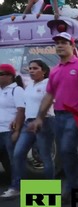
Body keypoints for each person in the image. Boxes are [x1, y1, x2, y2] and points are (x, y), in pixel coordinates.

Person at [28, 32, 78, 203]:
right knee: (65, 153)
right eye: (57, 43)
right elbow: (49, 96)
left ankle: (71, 186)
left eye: (64, 42)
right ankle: (75, 186)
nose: (59, 45)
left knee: (67, 149)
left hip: (75, 115)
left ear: (72, 46)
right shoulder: (55, 70)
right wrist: (39, 118)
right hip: (58, 116)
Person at [1, 60, 55, 199]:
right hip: (28, 122)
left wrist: (40, 119)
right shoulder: (29, 86)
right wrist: (17, 120)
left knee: (45, 157)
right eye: (29, 68)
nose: (31, 71)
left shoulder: (48, 84)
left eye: (35, 68)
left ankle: (49, 190)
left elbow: (49, 102)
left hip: (44, 121)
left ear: (43, 71)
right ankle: (17, 187)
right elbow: (24, 106)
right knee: (18, 154)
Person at [0, 64, 25, 197]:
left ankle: (16, 187)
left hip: (8, 131)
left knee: (13, 159)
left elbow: (21, 110)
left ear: (9, 76)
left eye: (1, 74)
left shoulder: (16, 90)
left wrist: (17, 130)